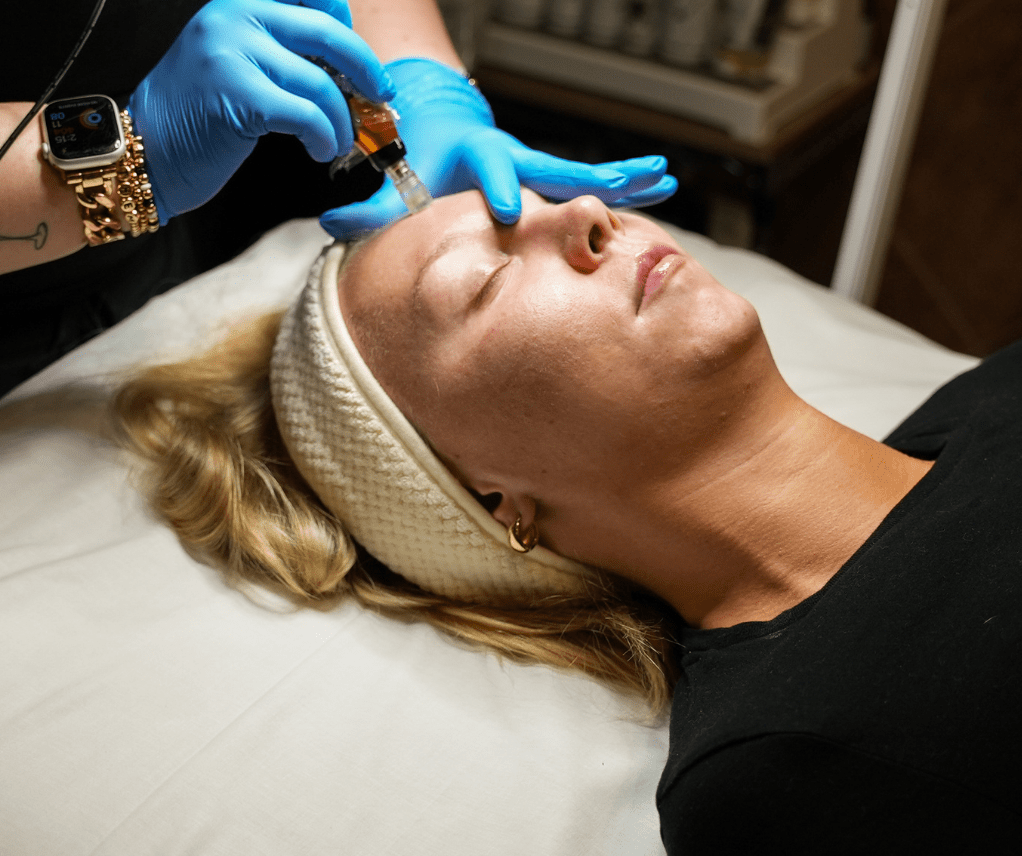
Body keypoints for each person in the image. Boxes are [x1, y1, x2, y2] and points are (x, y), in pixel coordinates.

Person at [116, 189, 1022, 853]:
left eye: (544, 196)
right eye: (485, 278)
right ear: (487, 499)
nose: (585, 211)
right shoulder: (782, 763)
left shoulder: (992, 391)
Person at [0, 0, 675, 437]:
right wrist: (127, 159)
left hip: (149, 301)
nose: (582, 214)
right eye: (480, 281)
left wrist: (426, 88)